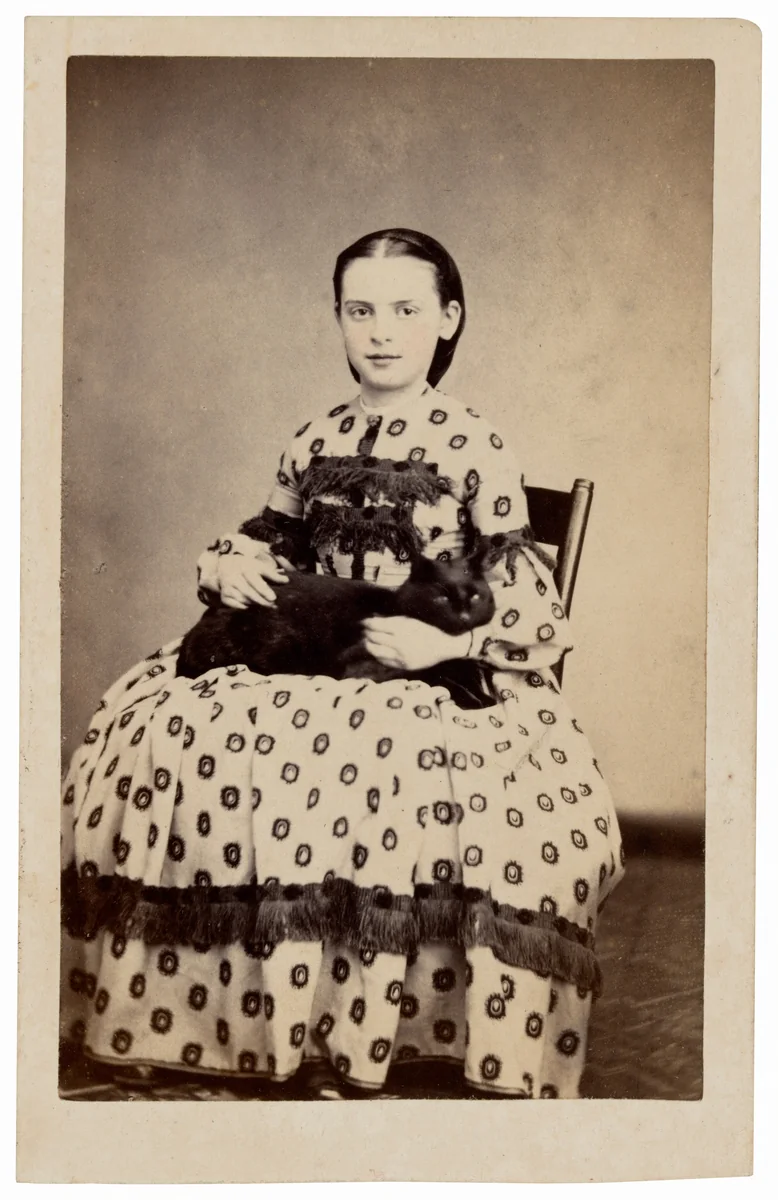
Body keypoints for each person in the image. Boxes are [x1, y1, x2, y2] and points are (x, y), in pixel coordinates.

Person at [61, 228, 625, 1100]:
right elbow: (269, 537)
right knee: (166, 728)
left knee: (370, 767)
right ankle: (246, 1024)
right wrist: (230, 563)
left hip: (428, 672)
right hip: (312, 662)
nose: (382, 330)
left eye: (406, 309)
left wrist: (450, 643)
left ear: (448, 317)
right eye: (360, 310)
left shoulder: (475, 442)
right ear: (337, 318)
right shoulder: (313, 436)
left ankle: (376, 1033)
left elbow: (531, 606)